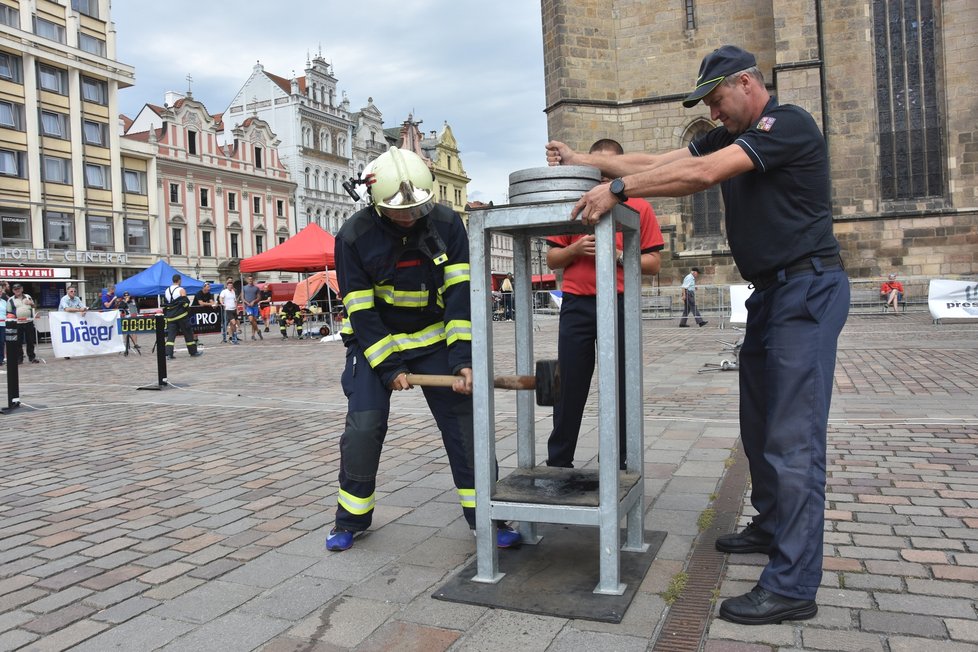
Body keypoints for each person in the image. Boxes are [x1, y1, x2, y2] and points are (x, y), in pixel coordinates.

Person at [546, 44, 849, 625]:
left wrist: (616, 192)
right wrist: (587, 159)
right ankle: (770, 524)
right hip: (771, 293)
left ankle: (792, 584)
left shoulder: (784, 124)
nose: (713, 114)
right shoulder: (728, 132)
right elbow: (661, 160)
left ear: (745, 84)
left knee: (794, 437)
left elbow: (703, 173)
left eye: (716, 100)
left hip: (807, 290)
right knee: (759, 421)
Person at [326, 146, 520, 552]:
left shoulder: (448, 224)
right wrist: (389, 367)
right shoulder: (353, 236)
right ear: (377, 205)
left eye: (418, 208)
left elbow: (459, 297)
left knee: (465, 428)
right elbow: (361, 311)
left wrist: (464, 360)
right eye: (401, 211)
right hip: (373, 344)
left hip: (434, 339)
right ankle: (351, 519)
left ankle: (488, 515)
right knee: (364, 427)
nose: (411, 217)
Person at [545, 138, 664, 470]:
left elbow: (653, 263)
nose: (604, 179)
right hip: (577, 306)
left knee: (622, 383)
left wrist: (620, 256)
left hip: (620, 303)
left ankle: (622, 460)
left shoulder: (639, 207)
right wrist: (574, 250)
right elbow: (553, 259)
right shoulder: (578, 202)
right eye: (599, 171)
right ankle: (559, 460)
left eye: (611, 171)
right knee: (569, 383)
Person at [163, 274, 202, 360]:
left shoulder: (166, 290)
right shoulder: (181, 290)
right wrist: (187, 310)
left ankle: (168, 354)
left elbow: (166, 303)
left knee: (171, 336)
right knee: (188, 334)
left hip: (170, 316)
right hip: (181, 316)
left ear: (173, 280)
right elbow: (185, 303)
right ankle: (193, 352)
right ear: (179, 280)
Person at [9, 283, 39, 364]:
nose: (17, 290)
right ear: (13, 291)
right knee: (18, 342)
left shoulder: (28, 296)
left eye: (18, 289)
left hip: (28, 322)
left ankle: (32, 357)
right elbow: (8, 312)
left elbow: (34, 306)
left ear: (22, 289)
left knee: (30, 341)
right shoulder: (11, 299)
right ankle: (19, 358)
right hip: (17, 323)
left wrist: (31, 303)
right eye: (15, 289)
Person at [218, 279, 239, 344]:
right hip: (228, 309)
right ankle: (230, 338)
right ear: (227, 286)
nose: (230, 287)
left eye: (231, 286)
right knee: (233, 323)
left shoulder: (233, 291)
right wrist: (222, 303)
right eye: (229, 286)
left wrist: (237, 309)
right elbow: (220, 298)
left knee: (233, 324)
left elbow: (235, 301)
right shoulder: (224, 291)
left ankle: (233, 337)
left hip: (233, 309)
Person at [242, 275, 263, 340]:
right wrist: (247, 303)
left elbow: (259, 297)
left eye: (251, 279)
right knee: (251, 320)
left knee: (254, 321)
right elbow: (242, 297)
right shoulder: (244, 288)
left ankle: (253, 335)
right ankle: (258, 330)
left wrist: (254, 301)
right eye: (249, 279)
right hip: (248, 306)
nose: (250, 280)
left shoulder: (256, 288)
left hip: (255, 306)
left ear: (253, 280)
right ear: (247, 280)